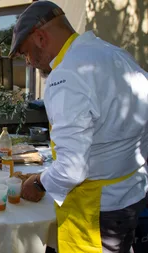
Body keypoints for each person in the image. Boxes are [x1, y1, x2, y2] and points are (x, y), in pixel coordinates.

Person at [9, 1, 148, 252]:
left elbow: (72, 169)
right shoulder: (115, 55)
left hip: (96, 208)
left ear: (40, 37)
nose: (28, 62)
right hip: (131, 192)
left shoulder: (66, 76)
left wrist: (39, 182)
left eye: (26, 52)